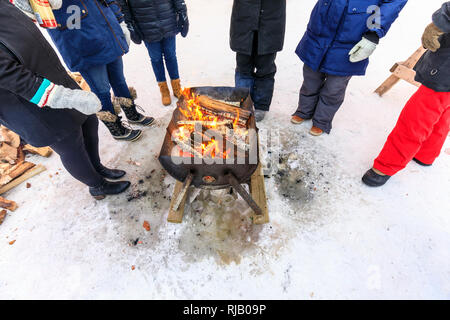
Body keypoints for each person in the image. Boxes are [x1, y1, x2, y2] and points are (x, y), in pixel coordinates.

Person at [0, 0, 131, 199]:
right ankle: (96, 185)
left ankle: (97, 167)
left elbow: (42, 19)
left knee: (88, 121)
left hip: (51, 75)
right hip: (28, 102)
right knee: (70, 142)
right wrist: (64, 97)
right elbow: (12, 78)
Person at [13, 0, 155, 142]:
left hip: (108, 31)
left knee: (119, 79)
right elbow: (54, 19)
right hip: (85, 43)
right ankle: (116, 127)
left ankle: (132, 114)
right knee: (101, 90)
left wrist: (119, 20)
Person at [362, 2, 450, 187]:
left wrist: (439, 24)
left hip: (444, 76)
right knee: (443, 115)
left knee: (416, 120)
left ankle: (385, 166)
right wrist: (440, 23)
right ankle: (426, 154)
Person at [291, 0, 407, 136]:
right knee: (311, 77)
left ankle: (322, 121)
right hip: (323, 25)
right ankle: (304, 110)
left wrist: (374, 32)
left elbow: (392, 4)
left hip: (354, 31)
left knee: (335, 86)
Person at [118, 0, 189, 106]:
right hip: (146, 25)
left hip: (167, 19)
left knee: (171, 55)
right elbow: (123, 4)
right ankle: (164, 90)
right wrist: (129, 23)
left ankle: (176, 87)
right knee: (156, 59)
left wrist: (182, 11)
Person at [230, 0, 286, 122]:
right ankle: (243, 101)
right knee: (243, 66)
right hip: (244, 19)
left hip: (271, 20)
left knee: (265, 68)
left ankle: (261, 105)